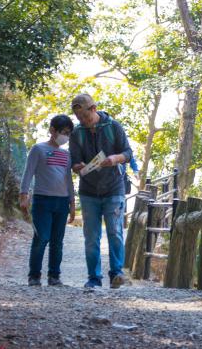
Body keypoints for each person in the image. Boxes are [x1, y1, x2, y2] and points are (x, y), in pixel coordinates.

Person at [69, 94, 133, 289]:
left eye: (85, 117)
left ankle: (116, 273)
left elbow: (128, 153)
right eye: (79, 118)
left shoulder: (114, 127)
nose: (83, 121)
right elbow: (74, 162)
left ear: (94, 109)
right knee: (91, 235)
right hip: (88, 191)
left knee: (115, 231)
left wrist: (115, 159)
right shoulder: (77, 133)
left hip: (114, 187)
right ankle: (93, 278)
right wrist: (78, 166)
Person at [19, 114, 76, 287]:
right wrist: (23, 195)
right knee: (41, 237)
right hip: (42, 200)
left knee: (57, 241)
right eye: (63, 132)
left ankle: (54, 276)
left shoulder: (67, 154)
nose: (65, 137)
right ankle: (34, 276)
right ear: (52, 130)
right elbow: (28, 173)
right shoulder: (38, 149)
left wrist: (72, 203)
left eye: (68, 133)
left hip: (62, 202)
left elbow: (68, 179)